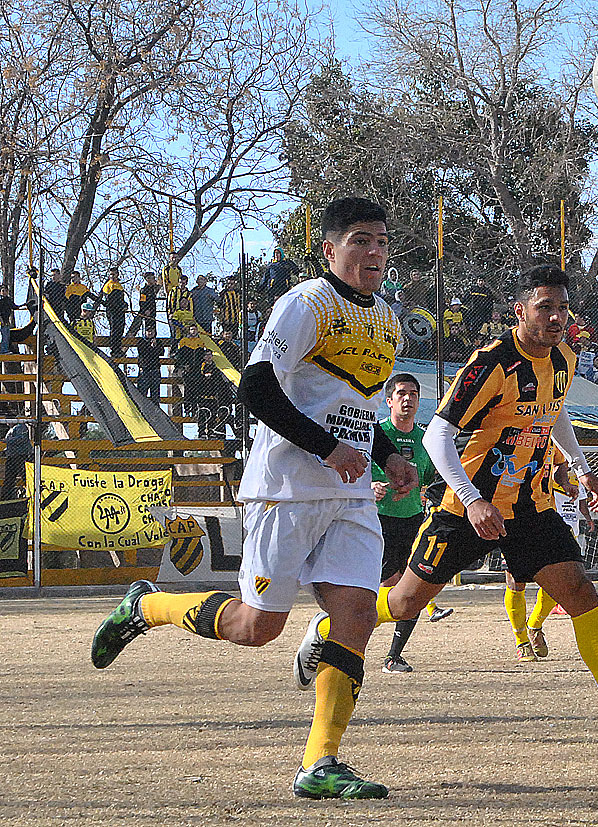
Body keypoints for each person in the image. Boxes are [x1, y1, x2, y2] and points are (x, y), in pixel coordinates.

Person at [91, 197, 412, 800]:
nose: (373, 252)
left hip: (347, 497)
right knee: (257, 626)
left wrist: (387, 455)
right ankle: (146, 608)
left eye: (380, 241)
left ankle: (321, 764)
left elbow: (355, 411)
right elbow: (257, 389)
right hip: (285, 490)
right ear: (330, 249)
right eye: (359, 240)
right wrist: (325, 448)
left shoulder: (387, 322)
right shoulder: (306, 303)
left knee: (356, 615)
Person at [293, 263, 598, 745]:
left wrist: (581, 468)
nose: (557, 317)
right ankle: (331, 624)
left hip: (532, 507)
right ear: (519, 311)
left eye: (562, 308)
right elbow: (438, 435)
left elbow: (554, 412)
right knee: (406, 601)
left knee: (580, 592)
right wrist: (473, 498)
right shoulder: (490, 363)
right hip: (468, 512)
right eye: (546, 308)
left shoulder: (563, 356)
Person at [370, 373, 452, 675]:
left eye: (414, 394)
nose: (408, 399)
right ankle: (339, 640)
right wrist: (369, 488)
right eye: (402, 393)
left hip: (414, 522)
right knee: (384, 588)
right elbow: (350, 471)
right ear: (389, 400)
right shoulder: (376, 435)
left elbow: (433, 479)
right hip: (376, 522)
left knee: (414, 591)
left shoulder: (426, 439)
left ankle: (393, 656)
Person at [505, 456, 589, 661]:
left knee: (558, 578)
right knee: (516, 581)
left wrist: (565, 483)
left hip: (545, 516)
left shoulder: (553, 436)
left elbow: (561, 467)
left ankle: (534, 625)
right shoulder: (511, 432)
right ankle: (522, 641)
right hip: (512, 513)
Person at [101, 268, 128, 358]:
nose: (112, 276)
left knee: (120, 329)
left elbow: (121, 299)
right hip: (112, 311)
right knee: (114, 329)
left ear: (117, 275)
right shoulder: (108, 285)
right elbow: (109, 300)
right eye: (111, 274)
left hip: (120, 311)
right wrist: (119, 305)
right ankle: (114, 349)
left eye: (114, 274)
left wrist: (124, 305)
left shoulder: (119, 285)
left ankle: (118, 348)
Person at [126, 271, 161, 338]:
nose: (154, 280)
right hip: (146, 312)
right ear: (147, 279)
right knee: (146, 328)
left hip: (152, 312)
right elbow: (142, 302)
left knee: (153, 328)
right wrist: (146, 310)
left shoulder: (153, 289)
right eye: (152, 278)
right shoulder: (144, 290)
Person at [135, 325, 164, 403]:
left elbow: (161, 352)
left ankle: (155, 414)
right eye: (148, 331)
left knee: (155, 396)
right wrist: (152, 348)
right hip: (144, 370)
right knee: (141, 395)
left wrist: (154, 346)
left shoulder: (158, 342)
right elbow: (143, 353)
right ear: (145, 332)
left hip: (155, 370)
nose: (150, 333)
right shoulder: (141, 342)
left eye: (152, 331)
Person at [0, 283, 15, 355]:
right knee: (3, 336)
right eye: (3, 291)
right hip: (1, 320)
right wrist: (1, 320)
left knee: (6, 336)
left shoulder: (8, 300)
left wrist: (26, 305)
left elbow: (14, 306)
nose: (4, 292)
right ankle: (3, 350)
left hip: (6, 320)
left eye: (6, 291)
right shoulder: (0, 300)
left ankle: (5, 350)